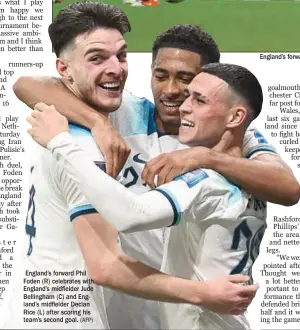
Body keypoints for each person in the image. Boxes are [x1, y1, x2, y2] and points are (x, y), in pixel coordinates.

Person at [14, 23, 300, 330]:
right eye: (161, 75)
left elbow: (287, 188)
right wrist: (98, 123)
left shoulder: (229, 139)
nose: (172, 90)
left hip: (190, 308)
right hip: (125, 302)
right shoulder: (126, 113)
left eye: (186, 80)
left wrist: (203, 156)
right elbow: (26, 84)